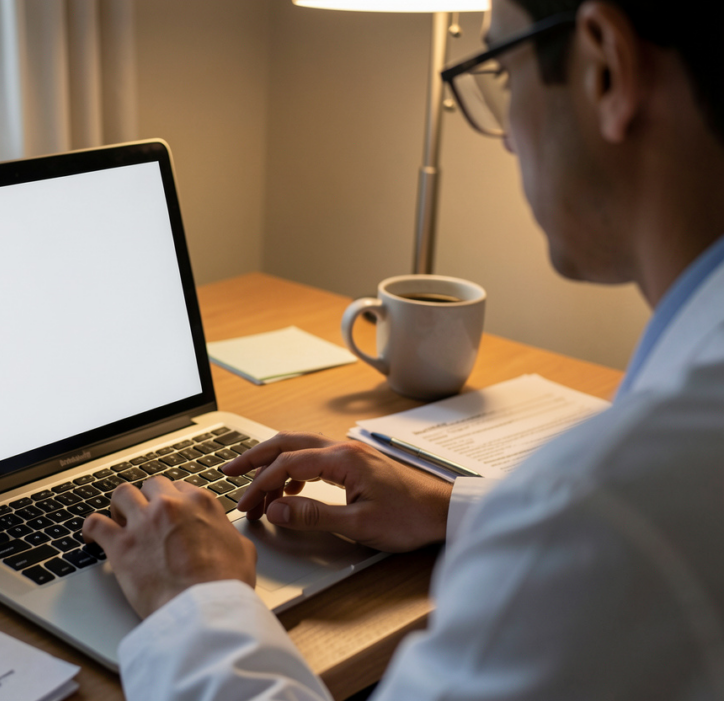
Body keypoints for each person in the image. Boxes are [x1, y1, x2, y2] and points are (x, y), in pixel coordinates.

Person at [82, 0, 724, 697]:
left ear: (607, 70)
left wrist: (192, 603)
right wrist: (452, 505)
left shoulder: (603, 505)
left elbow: (601, 527)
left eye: (503, 73)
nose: (508, 136)